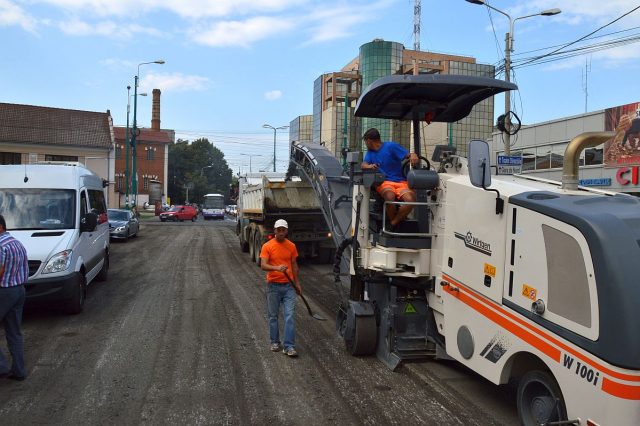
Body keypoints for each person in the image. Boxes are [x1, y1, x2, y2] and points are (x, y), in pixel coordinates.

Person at [360, 128, 419, 228]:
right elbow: (363, 165)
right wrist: (369, 166)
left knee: (410, 200)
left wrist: (413, 155)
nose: (366, 144)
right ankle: (395, 224)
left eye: (365, 142)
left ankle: (392, 224)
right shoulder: (370, 153)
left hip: (400, 182)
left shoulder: (390, 146)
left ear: (369, 141)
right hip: (384, 182)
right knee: (389, 197)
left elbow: (408, 155)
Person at [260, 219, 301, 357]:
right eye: (279, 229)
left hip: (289, 286)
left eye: (284, 230)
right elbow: (263, 265)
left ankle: (289, 346)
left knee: (289, 316)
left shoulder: (291, 246)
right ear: (275, 230)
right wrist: (277, 268)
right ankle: (275, 342)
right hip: (273, 286)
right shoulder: (267, 246)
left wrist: (297, 284)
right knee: (273, 316)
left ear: (287, 231)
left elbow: (294, 265)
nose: (281, 232)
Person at [0, 214, 29, 381]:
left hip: (4, 291)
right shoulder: (17, 243)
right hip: (19, 290)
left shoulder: (1, 245)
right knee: (14, 333)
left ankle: (2, 368)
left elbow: (0, 271)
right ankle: (19, 371)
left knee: (13, 332)